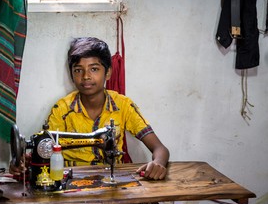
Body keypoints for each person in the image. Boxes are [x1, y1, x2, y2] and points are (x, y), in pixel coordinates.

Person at [10, 37, 169, 180]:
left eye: (94, 69)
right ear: (72, 75)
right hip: (71, 181)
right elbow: (45, 148)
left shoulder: (123, 105)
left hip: (111, 179)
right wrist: (22, 162)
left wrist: (158, 163)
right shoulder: (62, 110)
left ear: (108, 73)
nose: (86, 76)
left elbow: (159, 148)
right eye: (78, 70)